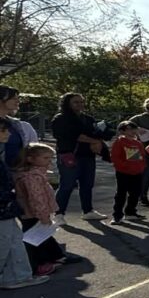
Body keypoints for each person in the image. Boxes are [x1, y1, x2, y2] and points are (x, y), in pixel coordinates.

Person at [13, 142, 70, 275]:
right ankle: (38, 265)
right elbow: (36, 198)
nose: (49, 161)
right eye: (45, 158)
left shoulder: (37, 174)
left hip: (34, 212)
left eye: (50, 158)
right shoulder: (31, 177)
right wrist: (43, 215)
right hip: (32, 213)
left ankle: (56, 256)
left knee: (43, 235)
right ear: (31, 159)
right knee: (34, 239)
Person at [51, 93, 109, 223]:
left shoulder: (88, 118)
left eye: (81, 102)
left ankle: (88, 211)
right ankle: (58, 213)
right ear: (67, 103)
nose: (80, 104)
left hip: (87, 155)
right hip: (69, 155)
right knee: (67, 184)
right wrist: (94, 141)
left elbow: (96, 133)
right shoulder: (61, 118)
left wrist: (101, 137)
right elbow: (73, 135)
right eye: (76, 102)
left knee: (87, 184)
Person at [0, 139, 47, 289]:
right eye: (3, 130)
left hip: (6, 208)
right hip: (2, 207)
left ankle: (18, 276)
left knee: (14, 240)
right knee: (4, 242)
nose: (8, 134)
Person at [108, 121, 146, 225]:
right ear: (122, 131)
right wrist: (125, 166)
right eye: (129, 129)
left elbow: (142, 156)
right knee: (121, 193)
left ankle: (130, 212)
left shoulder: (138, 143)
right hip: (123, 172)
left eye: (134, 129)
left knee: (136, 193)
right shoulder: (119, 142)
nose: (132, 131)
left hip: (137, 172)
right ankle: (117, 215)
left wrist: (141, 167)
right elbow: (115, 157)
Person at [0, 86, 40, 169]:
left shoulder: (17, 124)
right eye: (14, 98)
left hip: (16, 171)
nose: (18, 101)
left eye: (18, 98)